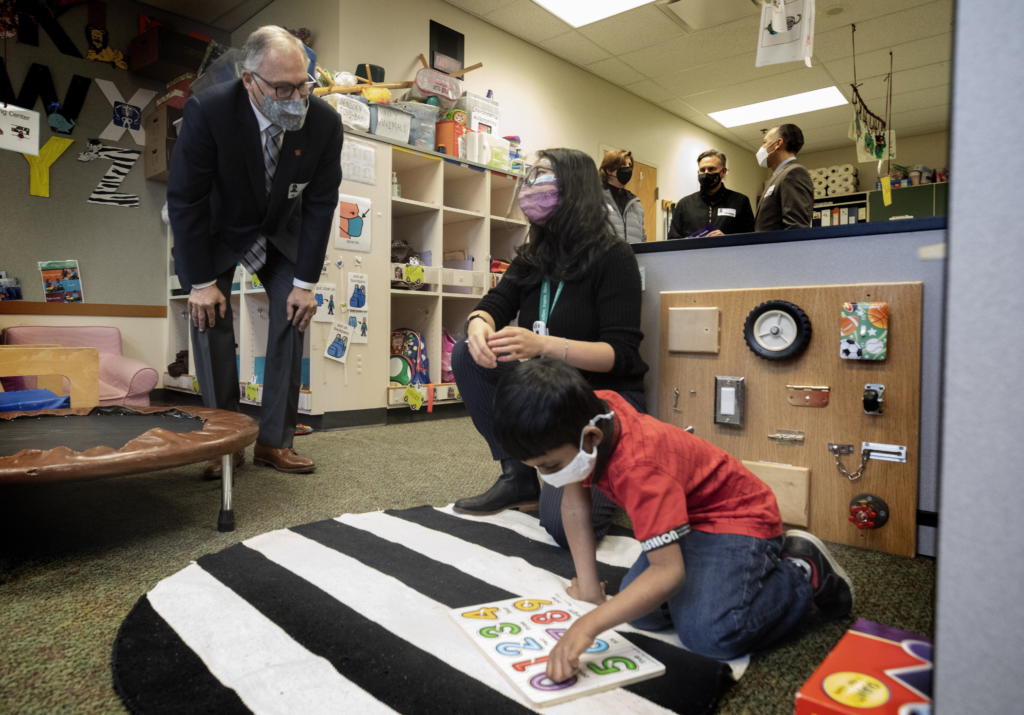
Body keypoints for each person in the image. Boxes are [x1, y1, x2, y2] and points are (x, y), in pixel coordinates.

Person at [492, 358, 854, 681]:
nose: (547, 477)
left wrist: (588, 626)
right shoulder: (593, 412)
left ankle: (800, 570)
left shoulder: (638, 466)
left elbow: (669, 572)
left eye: (549, 466)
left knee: (711, 635)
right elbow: (574, 501)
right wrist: (589, 587)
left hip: (738, 519)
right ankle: (718, 584)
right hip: (687, 519)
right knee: (642, 614)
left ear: (591, 439)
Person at [168, 25, 343, 477]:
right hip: (220, 230)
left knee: (294, 315)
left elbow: (321, 203)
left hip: (281, 230)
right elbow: (185, 200)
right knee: (210, 321)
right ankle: (222, 442)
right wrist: (201, 284)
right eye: (282, 88)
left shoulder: (324, 122)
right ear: (250, 81)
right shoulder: (208, 111)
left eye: (303, 84)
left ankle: (273, 441)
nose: (295, 97)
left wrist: (305, 284)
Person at [452, 148, 649, 547]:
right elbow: (493, 306)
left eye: (541, 175)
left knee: (565, 530)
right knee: (464, 354)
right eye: (530, 175)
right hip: (546, 389)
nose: (529, 185)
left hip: (596, 399)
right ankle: (519, 477)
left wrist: (543, 344)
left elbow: (621, 354)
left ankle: (588, 472)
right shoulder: (533, 257)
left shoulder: (614, 257)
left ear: (573, 188)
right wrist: (477, 325)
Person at [668, 150, 754, 238]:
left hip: (728, 251)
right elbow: (672, 239)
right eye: (702, 170)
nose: (706, 173)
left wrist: (727, 239)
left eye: (711, 169)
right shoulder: (684, 204)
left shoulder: (740, 201)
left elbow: (750, 238)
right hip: (694, 252)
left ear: (723, 172)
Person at [753, 123, 814, 232]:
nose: (762, 148)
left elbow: (796, 228)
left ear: (778, 143)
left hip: (778, 249)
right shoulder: (778, 176)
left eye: (764, 142)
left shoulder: (794, 173)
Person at [599, 149, 646, 244]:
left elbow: (643, 238)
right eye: (624, 165)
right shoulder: (596, 198)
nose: (628, 169)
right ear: (609, 170)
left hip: (632, 257)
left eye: (630, 165)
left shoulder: (635, 203)